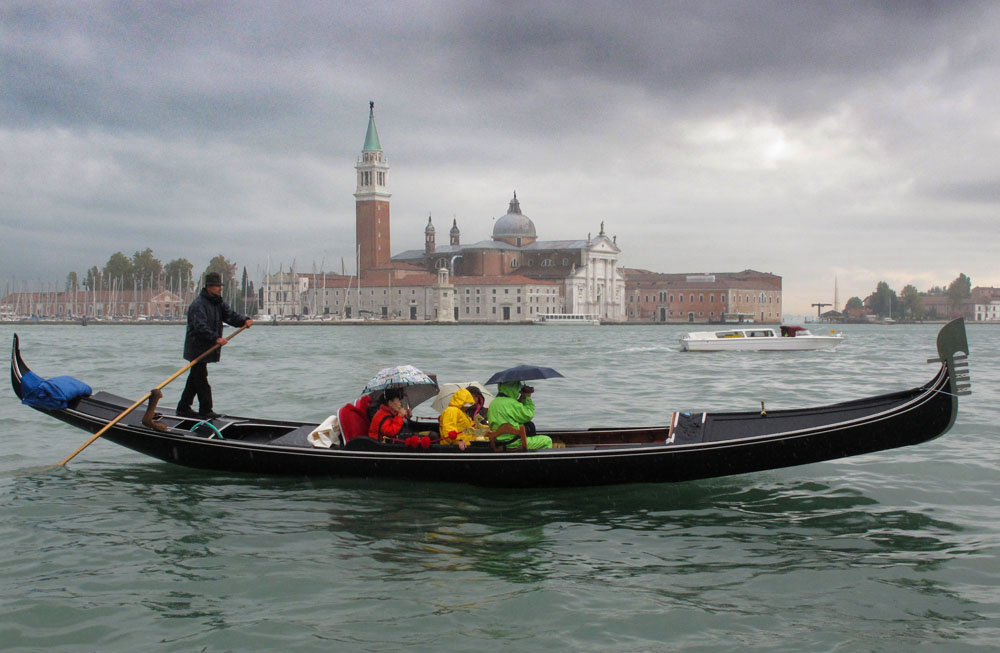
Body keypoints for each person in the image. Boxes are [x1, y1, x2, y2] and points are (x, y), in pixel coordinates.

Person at [176, 272, 253, 419]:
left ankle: (183, 407)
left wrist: (244, 321)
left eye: (220, 286)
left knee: (195, 377)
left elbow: (230, 316)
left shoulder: (218, 302)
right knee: (201, 379)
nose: (219, 289)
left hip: (207, 347)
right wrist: (216, 338)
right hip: (197, 348)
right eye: (217, 286)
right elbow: (200, 326)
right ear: (209, 287)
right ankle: (206, 409)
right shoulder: (198, 305)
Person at [487, 381, 552, 450]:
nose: (518, 391)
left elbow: (511, 412)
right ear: (513, 388)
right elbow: (528, 415)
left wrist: (521, 399)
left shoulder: (493, 402)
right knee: (547, 440)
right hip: (514, 442)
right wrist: (527, 398)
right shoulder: (512, 403)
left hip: (499, 443)